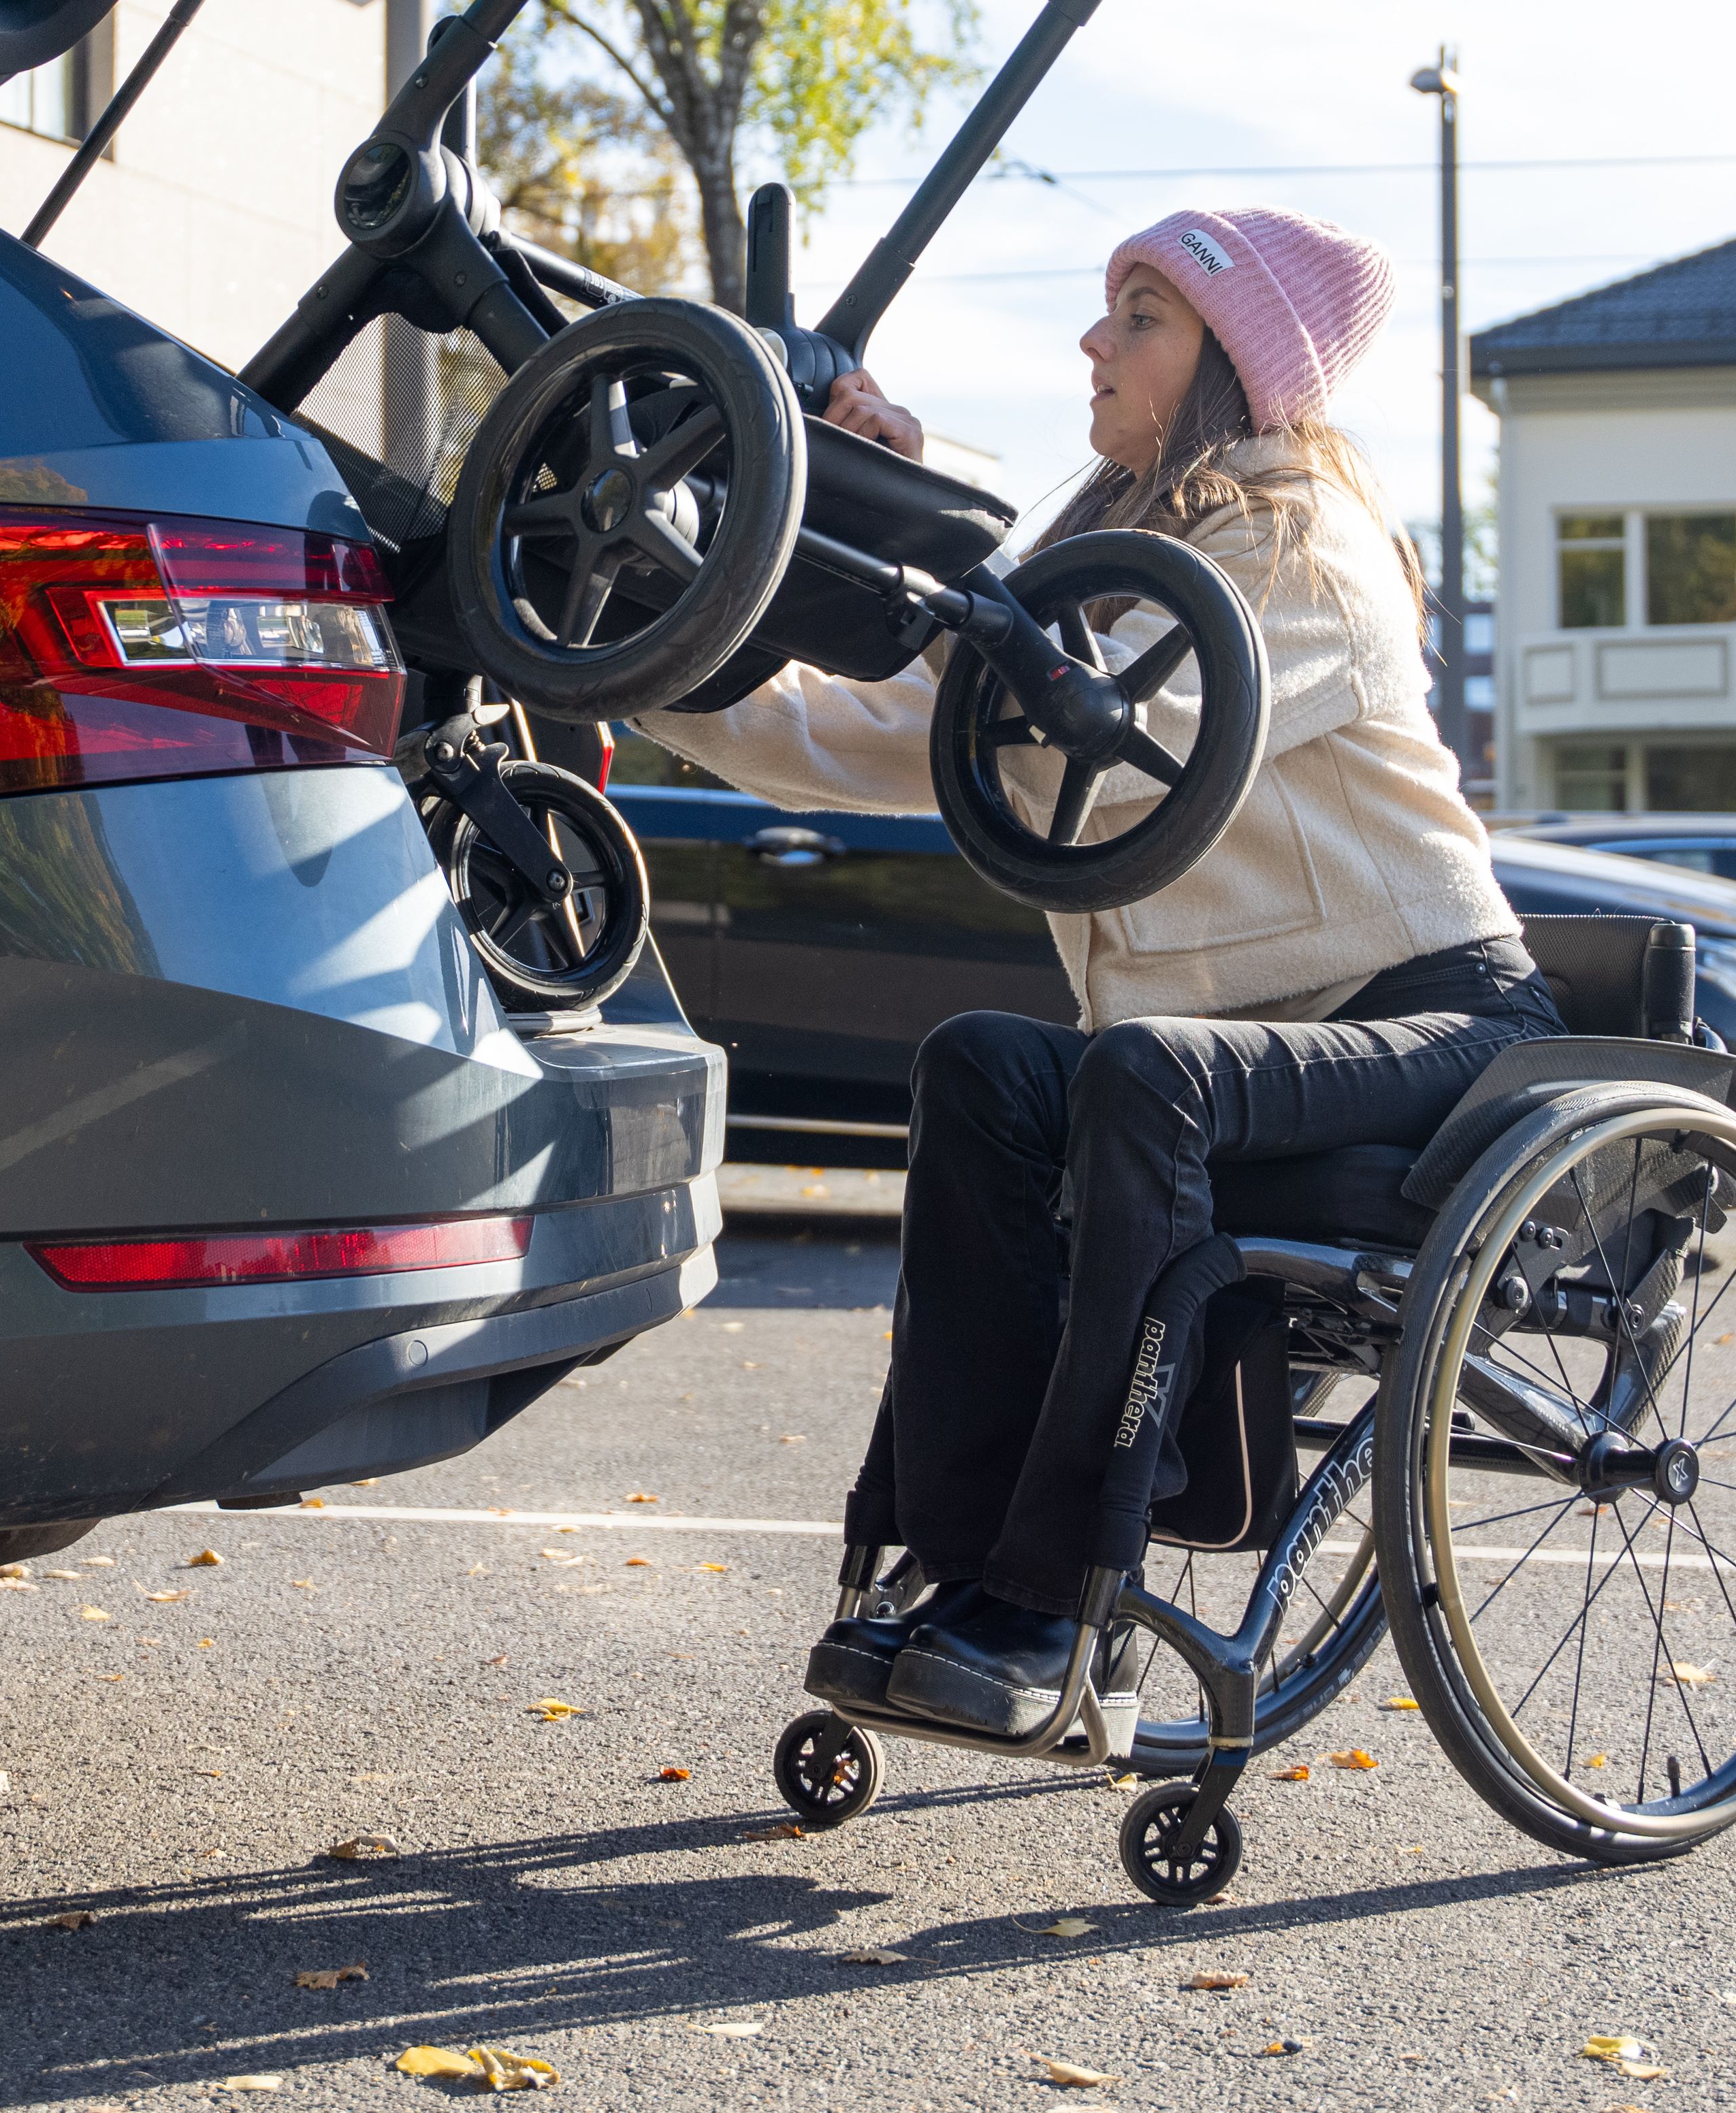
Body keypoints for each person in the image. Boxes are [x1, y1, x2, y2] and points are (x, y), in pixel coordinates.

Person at [642, 204, 1545, 1736]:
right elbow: (888, 730)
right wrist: (656, 647)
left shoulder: (1300, 548)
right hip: (1228, 1056)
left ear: (1236, 364)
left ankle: (1060, 1599)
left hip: (1432, 1024)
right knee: (984, 1064)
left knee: (1143, 1074)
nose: (1092, 341)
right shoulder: (1126, 561)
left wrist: (922, 539)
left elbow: (1106, 750)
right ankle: (955, 1564)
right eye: (1108, 308)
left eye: (1141, 315)